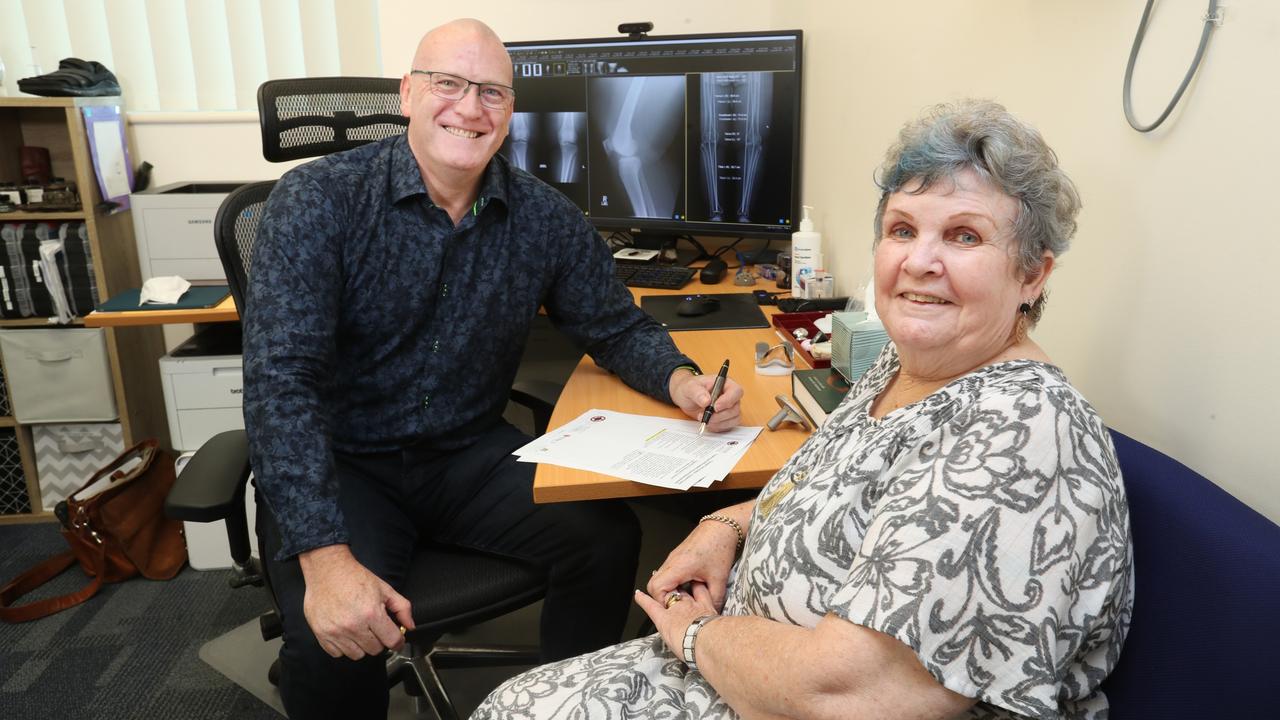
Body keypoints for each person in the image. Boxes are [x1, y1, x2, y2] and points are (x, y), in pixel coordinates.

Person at [473, 99, 1134, 720]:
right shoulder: (907, 367)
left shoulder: (1020, 436)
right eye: (902, 229)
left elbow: (846, 694)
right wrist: (726, 528)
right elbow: (822, 488)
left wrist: (696, 635)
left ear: (1032, 274)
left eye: (964, 236)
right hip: (745, 671)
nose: (919, 262)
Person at [241, 18, 744, 719]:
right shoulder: (317, 202)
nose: (470, 108)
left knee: (606, 540)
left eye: (492, 93)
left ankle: (563, 704)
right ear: (408, 94)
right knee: (338, 636)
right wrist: (325, 562)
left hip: (465, 455)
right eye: (448, 84)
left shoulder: (544, 217)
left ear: (510, 111)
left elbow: (614, 323)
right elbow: (280, 385)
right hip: (343, 460)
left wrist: (682, 380)